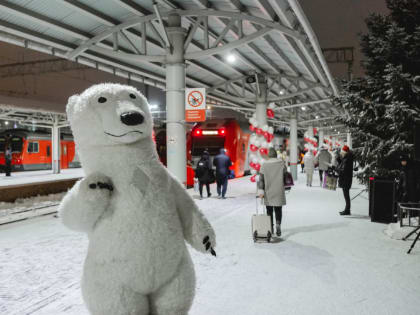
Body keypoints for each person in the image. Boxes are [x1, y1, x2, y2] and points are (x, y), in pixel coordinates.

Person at [258, 148, 287, 236]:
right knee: (278, 209)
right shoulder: (281, 163)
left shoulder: (264, 165)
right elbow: (285, 175)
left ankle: (270, 227)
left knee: (269, 210)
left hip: (268, 191)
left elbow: (261, 180)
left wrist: (261, 190)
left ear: (269, 155)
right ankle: (278, 224)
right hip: (278, 189)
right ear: (276, 155)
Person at [336, 145, 353, 215]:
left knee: (346, 196)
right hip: (346, 179)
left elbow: (343, 170)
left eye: (342, 152)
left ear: (344, 152)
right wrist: (339, 159)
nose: (341, 153)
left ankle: (347, 210)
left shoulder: (347, 159)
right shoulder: (346, 158)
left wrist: (336, 169)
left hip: (346, 179)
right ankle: (347, 209)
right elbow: (343, 166)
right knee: (346, 195)